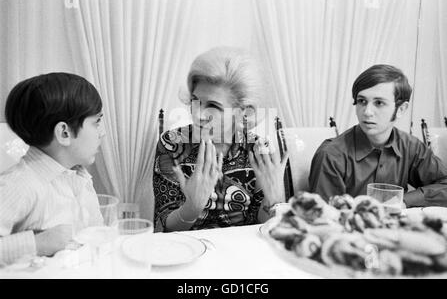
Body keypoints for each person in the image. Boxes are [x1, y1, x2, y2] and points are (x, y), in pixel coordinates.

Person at [153, 47, 289, 232]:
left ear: (242, 113)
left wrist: (273, 200)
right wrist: (191, 208)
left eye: (213, 106)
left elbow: (260, 224)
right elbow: (165, 227)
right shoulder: (173, 144)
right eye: (195, 100)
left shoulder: (257, 150)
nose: (198, 114)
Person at [0, 72, 106, 265]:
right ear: (64, 132)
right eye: (97, 122)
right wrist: (39, 243)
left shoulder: (79, 177)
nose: (102, 132)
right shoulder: (19, 185)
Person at [308, 64, 447, 207]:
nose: (367, 112)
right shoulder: (331, 155)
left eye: (379, 103)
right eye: (362, 101)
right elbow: (322, 217)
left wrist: (403, 201)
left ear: (401, 109)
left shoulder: (411, 146)